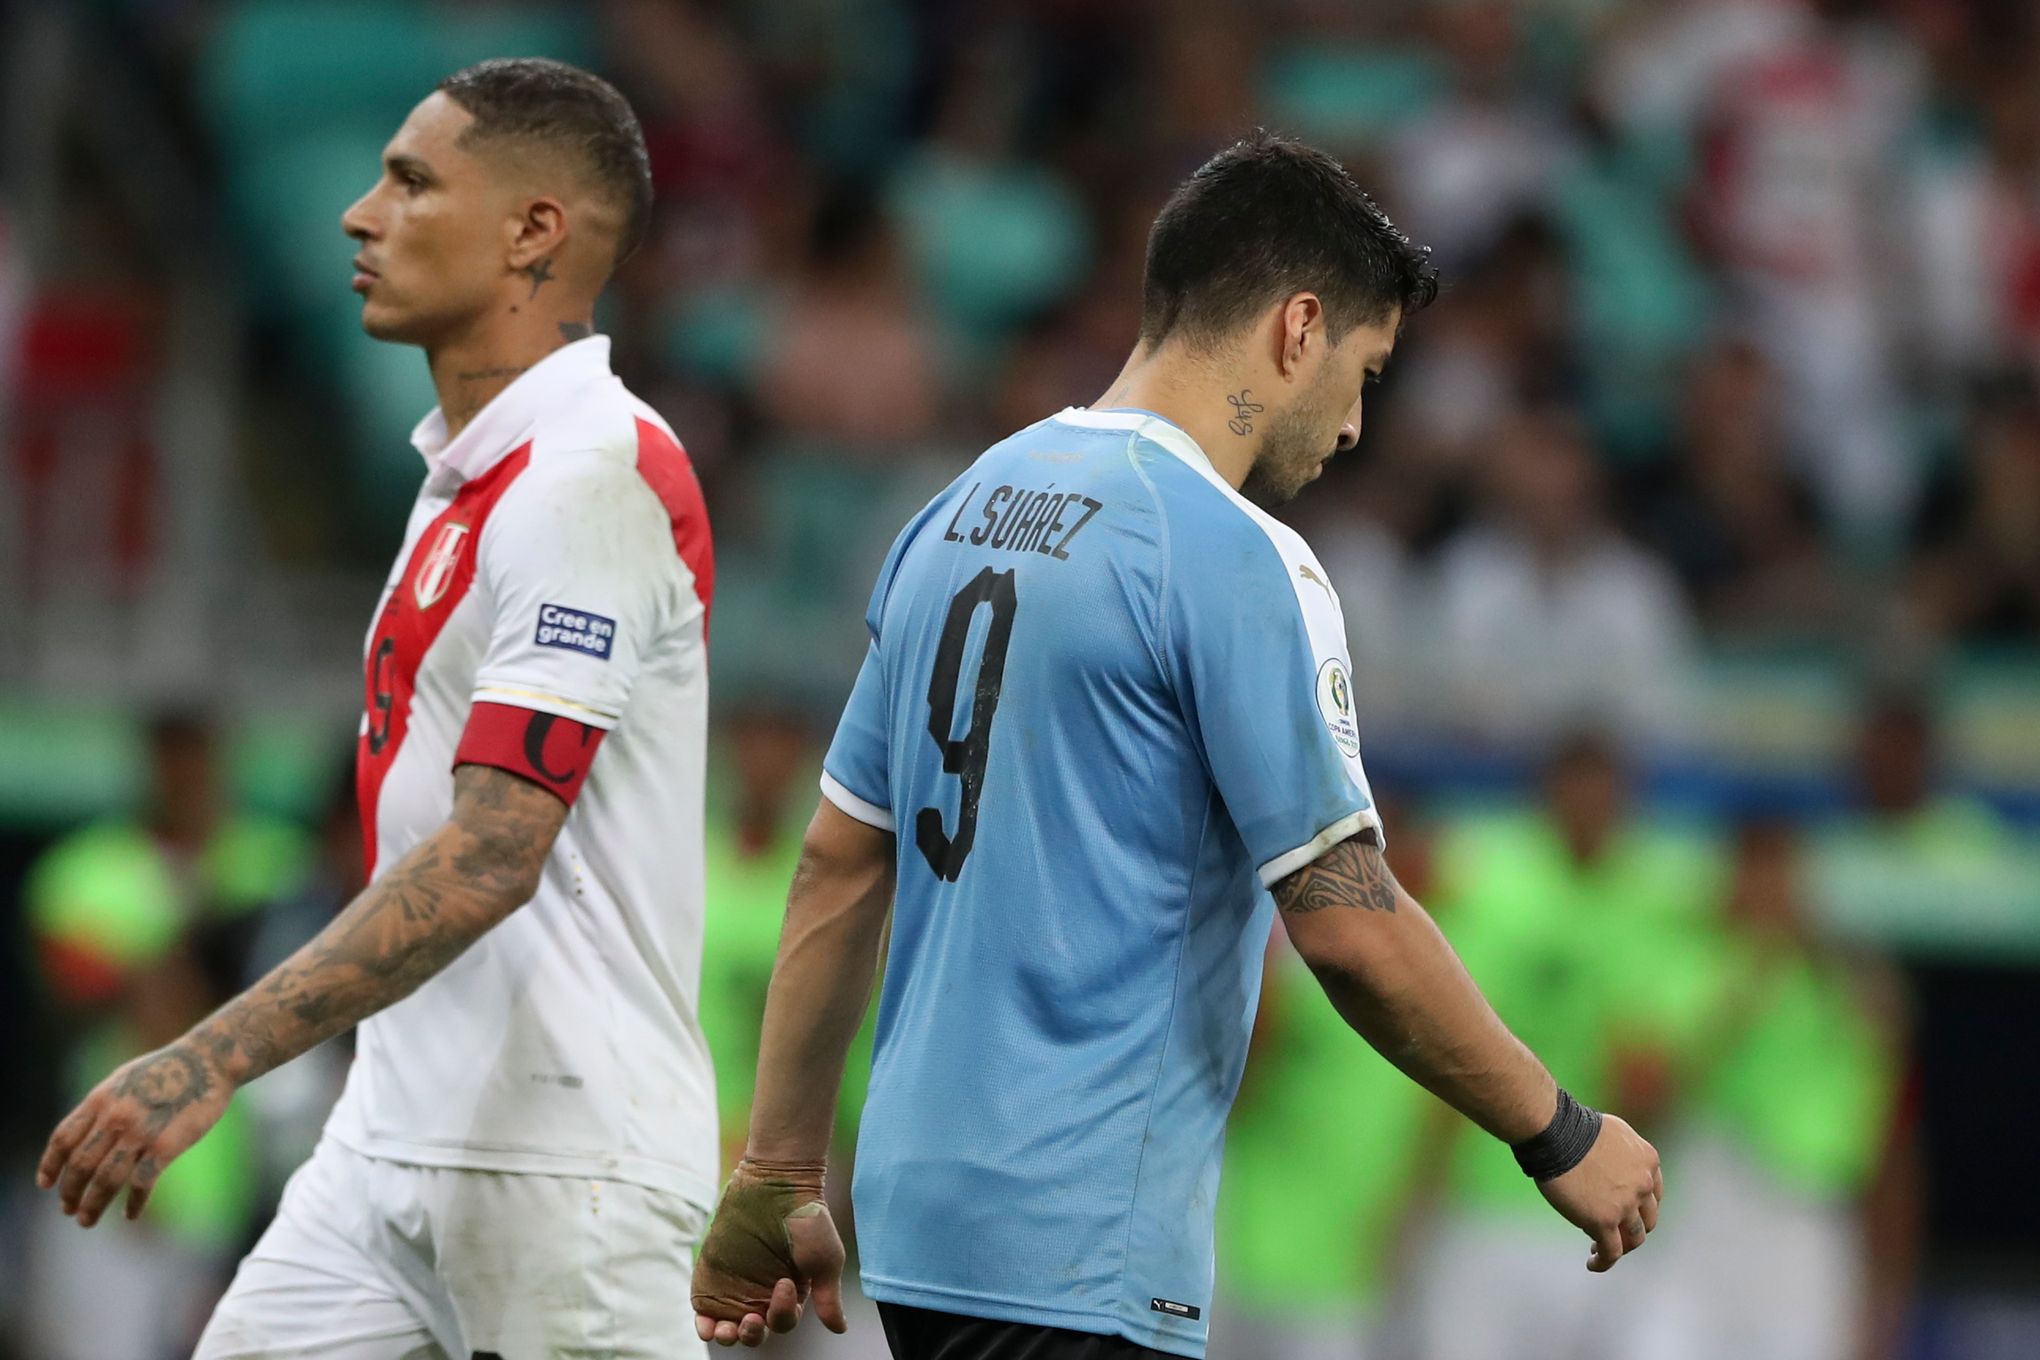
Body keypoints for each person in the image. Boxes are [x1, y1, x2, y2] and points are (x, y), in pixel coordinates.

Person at [690, 134, 1666, 1360]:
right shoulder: (1234, 556)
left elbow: (839, 861)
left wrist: (778, 1166)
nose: (1359, 425)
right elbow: (1351, 927)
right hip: (1082, 1242)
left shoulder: (951, 512)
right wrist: (1558, 1130)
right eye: (1364, 372)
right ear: (1297, 326)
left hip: (918, 1224)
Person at [35, 58, 719, 1360]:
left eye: (411, 182)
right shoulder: (463, 474)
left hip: (555, 1161)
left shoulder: (589, 482)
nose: (359, 213)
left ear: (535, 234)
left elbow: (492, 853)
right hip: (388, 1142)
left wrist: (207, 1058)